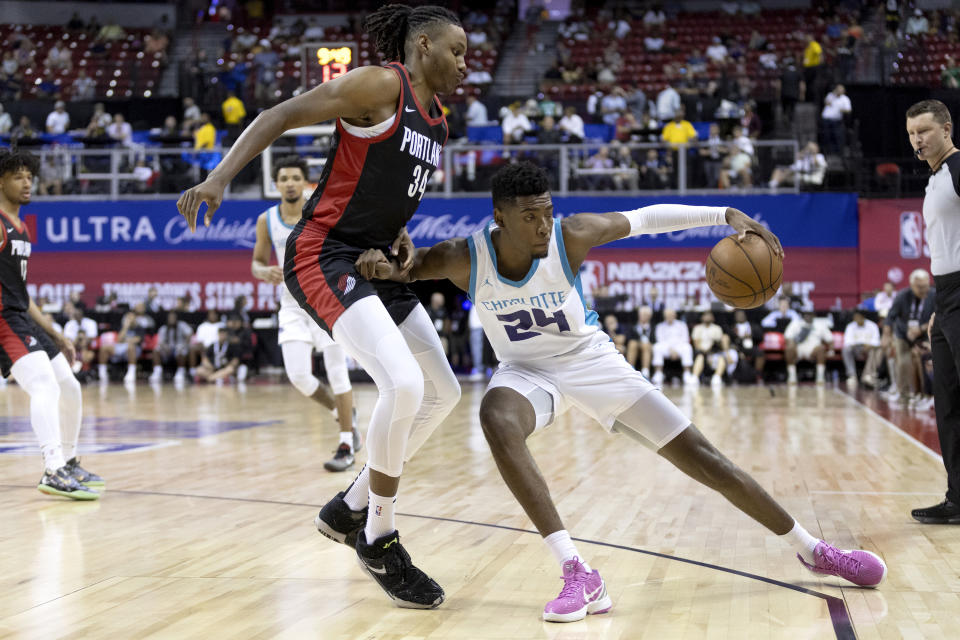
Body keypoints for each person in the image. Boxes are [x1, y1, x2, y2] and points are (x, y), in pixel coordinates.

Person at [358, 161, 885, 622]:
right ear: (500, 218)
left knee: (706, 460)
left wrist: (725, 214)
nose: (543, 224)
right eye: (529, 217)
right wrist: (385, 263)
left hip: (591, 361)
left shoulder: (571, 235)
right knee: (496, 417)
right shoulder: (464, 257)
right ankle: (576, 570)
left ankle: (812, 549)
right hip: (525, 371)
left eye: (547, 211)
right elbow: (407, 269)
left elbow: (648, 219)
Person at [176, 4, 466, 608]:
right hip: (323, 253)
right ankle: (378, 538)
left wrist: (399, 235)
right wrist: (219, 177)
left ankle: (351, 504)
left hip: (375, 259)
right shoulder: (382, 85)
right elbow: (279, 115)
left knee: (445, 390)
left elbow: (389, 189)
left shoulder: (438, 118)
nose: (465, 64)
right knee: (404, 386)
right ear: (424, 46)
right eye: (457, 51)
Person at [0, 149, 103, 499]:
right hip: (3, 320)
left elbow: (23, 294)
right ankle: (52, 469)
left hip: (22, 316)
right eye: (18, 176)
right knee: (44, 385)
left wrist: (54, 332)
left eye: (30, 175)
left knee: (69, 386)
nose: (27, 181)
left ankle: (69, 461)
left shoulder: (22, 227)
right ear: (0, 181)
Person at [251, 155, 362, 472]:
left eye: (294, 178)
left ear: (304, 182)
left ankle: (345, 443)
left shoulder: (320, 210)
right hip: (291, 304)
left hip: (325, 299)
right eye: (283, 178)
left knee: (337, 370)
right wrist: (263, 272)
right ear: (276, 184)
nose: (289, 183)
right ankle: (342, 414)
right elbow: (257, 262)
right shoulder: (266, 220)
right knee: (299, 376)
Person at [905, 99, 960, 523]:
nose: (917, 140)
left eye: (924, 131)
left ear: (946, 129)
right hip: (945, 297)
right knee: (947, 402)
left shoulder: (958, 169)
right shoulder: (934, 179)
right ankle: (957, 498)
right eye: (911, 134)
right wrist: (938, 306)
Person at [884, 269, 935, 402]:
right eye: (920, 287)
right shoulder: (902, 296)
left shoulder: (934, 295)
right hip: (903, 333)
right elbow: (890, 317)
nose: (924, 290)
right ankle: (904, 394)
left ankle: (924, 394)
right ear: (912, 285)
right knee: (904, 361)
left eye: (926, 286)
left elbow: (939, 316)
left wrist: (921, 328)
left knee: (924, 359)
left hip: (924, 334)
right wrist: (886, 335)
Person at [784, 311, 833, 384]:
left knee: (821, 349)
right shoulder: (796, 323)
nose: (808, 316)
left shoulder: (820, 325)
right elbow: (787, 337)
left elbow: (830, 339)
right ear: (803, 315)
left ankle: (820, 376)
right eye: (806, 314)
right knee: (789, 348)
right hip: (798, 348)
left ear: (813, 315)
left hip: (813, 348)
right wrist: (791, 344)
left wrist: (832, 350)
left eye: (810, 314)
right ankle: (792, 376)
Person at [650, 307, 695, 385]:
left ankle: (687, 373)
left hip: (679, 348)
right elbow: (660, 340)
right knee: (657, 347)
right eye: (667, 315)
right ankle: (658, 373)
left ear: (675, 315)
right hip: (666, 349)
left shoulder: (682, 325)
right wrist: (670, 349)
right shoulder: (660, 326)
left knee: (688, 347)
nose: (669, 317)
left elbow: (685, 339)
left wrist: (676, 350)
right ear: (664, 316)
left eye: (671, 315)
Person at [149, 311, 192, 384]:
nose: (172, 320)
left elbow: (189, 334)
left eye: (173, 318)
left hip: (179, 347)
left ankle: (181, 371)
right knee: (156, 350)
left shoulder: (182, 325)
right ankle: (157, 371)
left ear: (176, 319)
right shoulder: (163, 328)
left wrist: (184, 345)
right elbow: (160, 342)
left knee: (181, 350)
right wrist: (165, 347)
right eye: (170, 318)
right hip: (167, 349)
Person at [842, 310, 881, 387]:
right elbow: (847, 341)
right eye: (855, 317)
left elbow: (876, 341)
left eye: (858, 317)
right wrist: (858, 345)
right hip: (856, 348)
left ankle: (868, 375)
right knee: (846, 350)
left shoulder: (872, 325)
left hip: (869, 348)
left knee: (876, 350)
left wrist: (869, 346)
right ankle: (852, 375)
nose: (857, 319)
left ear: (863, 317)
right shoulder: (850, 326)